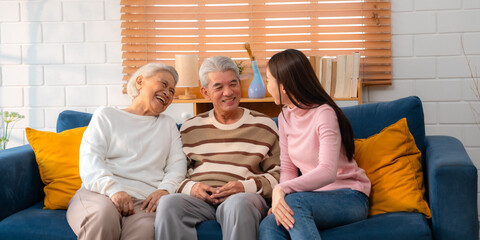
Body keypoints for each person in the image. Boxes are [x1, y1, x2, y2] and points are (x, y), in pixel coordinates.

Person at [155, 56, 281, 240]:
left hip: (244, 197)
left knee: (237, 205)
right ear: (205, 92)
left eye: (233, 84)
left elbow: (279, 174)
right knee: (168, 204)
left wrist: (244, 186)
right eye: (219, 87)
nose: (228, 92)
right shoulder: (190, 128)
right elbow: (175, 171)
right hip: (199, 201)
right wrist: (191, 188)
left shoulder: (264, 125)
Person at [259, 49, 371, 240]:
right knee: (270, 223)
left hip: (350, 197)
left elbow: (327, 171)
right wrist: (280, 203)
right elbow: (288, 168)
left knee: (294, 204)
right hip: (312, 198)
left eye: (268, 79)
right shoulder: (285, 117)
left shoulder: (324, 113)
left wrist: (281, 190)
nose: (267, 85)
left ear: (284, 86)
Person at [66, 63, 187, 240]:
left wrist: (165, 190)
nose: (168, 93)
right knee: (102, 217)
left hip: (145, 203)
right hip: (101, 195)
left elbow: (177, 165)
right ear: (140, 81)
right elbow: (90, 159)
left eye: (172, 91)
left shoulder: (167, 125)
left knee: (146, 231)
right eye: (163, 84)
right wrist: (114, 190)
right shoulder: (106, 115)